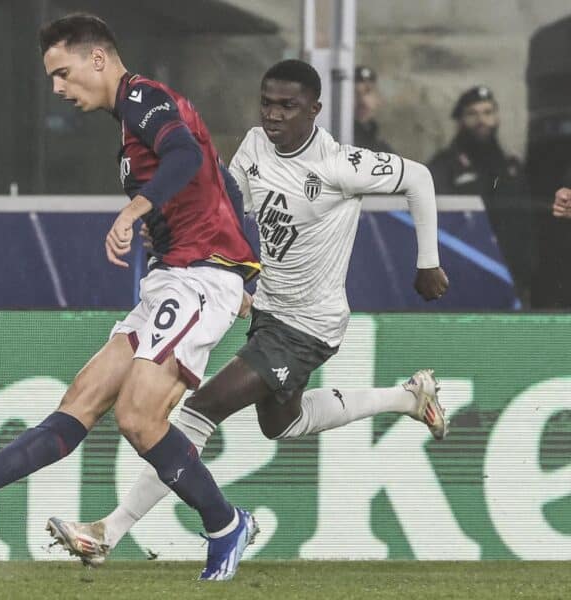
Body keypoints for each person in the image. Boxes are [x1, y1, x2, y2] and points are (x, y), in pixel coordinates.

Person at [0, 13, 261, 581]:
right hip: (176, 277)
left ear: (98, 58)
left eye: (63, 73)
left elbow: (187, 157)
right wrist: (247, 270)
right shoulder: (132, 121)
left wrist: (140, 210)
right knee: (83, 399)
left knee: (139, 417)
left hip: (198, 276)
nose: (59, 89)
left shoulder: (144, 97)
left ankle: (224, 523)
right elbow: (221, 179)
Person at [46, 59, 451, 566]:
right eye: (267, 103)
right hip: (268, 314)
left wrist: (428, 262)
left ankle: (108, 530)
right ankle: (408, 398)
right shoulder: (255, 146)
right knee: (283, 422)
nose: (274, 114)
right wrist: (195, 246)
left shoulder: (340, 164)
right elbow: (222, 206)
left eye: (288, 106)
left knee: (198, 409)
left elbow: (419, 178)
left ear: (315, 109)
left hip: (308, 325)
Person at [428, 85, 531, 302]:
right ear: (460, 121)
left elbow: (524, 226)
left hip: (508, 276)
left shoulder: (511, 168)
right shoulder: (444, 166)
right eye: (473, 114)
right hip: (463, 274)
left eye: (487, 113)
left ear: (497, 118)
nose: (481, 120)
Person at [353, 66, 395, 154]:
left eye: (367, 92)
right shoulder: (335, 144)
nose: (362, 101)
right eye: (355, 93)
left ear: (378, 99)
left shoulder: (384, 151)